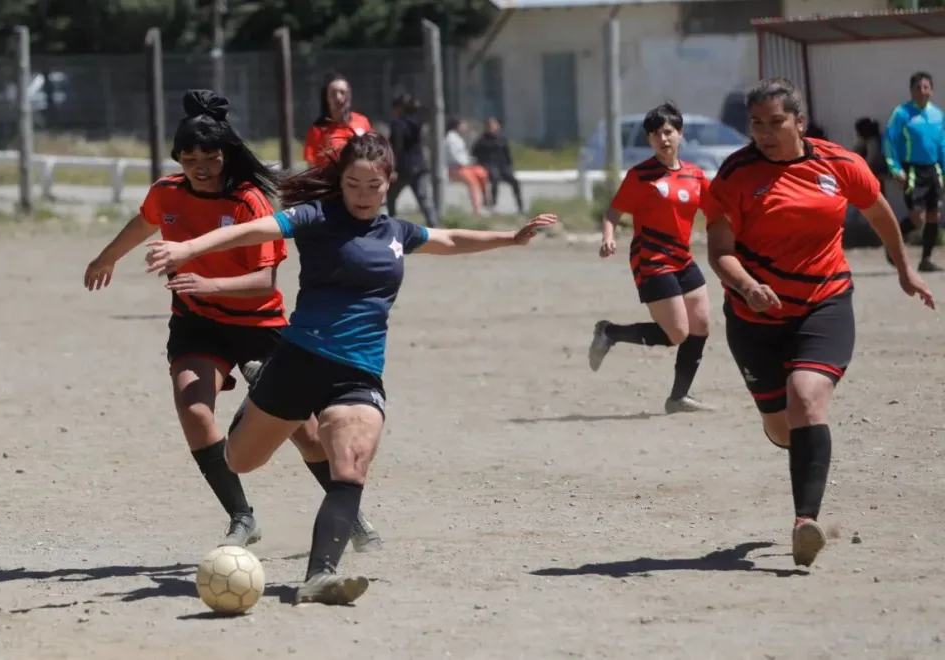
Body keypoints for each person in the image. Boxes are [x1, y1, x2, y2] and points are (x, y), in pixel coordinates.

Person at [143, 131, 557, 605]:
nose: (362, 196)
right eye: (353, 184)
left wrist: (511, 237)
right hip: (299, 360)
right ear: (340, 182)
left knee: (350, 468)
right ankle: (257, 395)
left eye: (372, 186)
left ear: (389, 183)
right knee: (241, 460)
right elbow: (252, 231)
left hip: (359, 371)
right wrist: (187, 248)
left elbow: (447, 238)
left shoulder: (397, 233)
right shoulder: (317, 217)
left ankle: (320, 575)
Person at [83, 90, 383, 552]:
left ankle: (351, 514)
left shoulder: (248, 201)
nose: (200, 165)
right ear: (177, 158)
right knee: (193, 408)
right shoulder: (167, 192)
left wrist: (208, 284)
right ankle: (242, 517)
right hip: (196, 323)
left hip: (259, 326)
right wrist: (107, 257)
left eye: (210, 155)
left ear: (227, 155)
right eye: (189, 157)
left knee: (303, 432)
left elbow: (264, 281)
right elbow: (145, 221)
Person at [703, 78, 934, 569]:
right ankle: (793, 441)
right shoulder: (735, 174)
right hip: (753, 315)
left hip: (823, 302)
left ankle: (803, 522)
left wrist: (904, 267)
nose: (765, 133)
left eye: (776, 122)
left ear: (800, 122)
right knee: (783, 426)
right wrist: (747, 286)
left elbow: (878, 212)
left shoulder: (839, 164)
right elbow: (720, 252)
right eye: (757, 124)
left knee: (806, 398)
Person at [588, 102, 714, 414]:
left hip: (683, 259)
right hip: (652, 259)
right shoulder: (640, 175)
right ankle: (610, 332)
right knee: (677, 334)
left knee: (700, 325)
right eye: (655, 134)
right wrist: (608, 235)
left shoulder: (695, 176)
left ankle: (678, 398)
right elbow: (613, 211)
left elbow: (719, 215)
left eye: (669, 132)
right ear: (649, 140)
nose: (663, 139)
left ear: (680, 134)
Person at [883, 71, 945, 272]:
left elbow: (942, 145)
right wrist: (895, 168)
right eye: (918, 87)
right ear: (911, 91)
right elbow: (889, 140)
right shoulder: (901, 113)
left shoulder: (938, 115)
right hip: (912, 171)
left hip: (933, 169)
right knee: (918, 218)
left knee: (934, 215)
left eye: (926, 87)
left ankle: (925, 260)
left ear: (932, 91)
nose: (922, 91)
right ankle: (891, 246)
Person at [387, 92, 439, 227]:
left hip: (402, 168)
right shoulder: (418, 122)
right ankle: (434, 226)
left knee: (391, 198)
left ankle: (389, 225)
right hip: (419, 166)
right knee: (424, 199)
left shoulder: (397, 124)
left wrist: (392, 167)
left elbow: (397, 147)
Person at [303, 71, 372, 169]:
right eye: (333, 93)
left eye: (342, 92)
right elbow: (311, 167)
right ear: (326, 98)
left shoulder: (362, 122)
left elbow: (372, 155)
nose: (338, 97)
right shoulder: (316, 131)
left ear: (349, 96)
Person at [472, 117, 524, 215]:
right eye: (490, 126)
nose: (492, 128)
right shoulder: (482, 140)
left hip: (502, 166)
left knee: (514, 181)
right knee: (495, 179)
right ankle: (493, 206)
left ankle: (520, 207)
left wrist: (510, 166)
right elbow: (474, 154)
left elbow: (507, 154)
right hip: (489, 165)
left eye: (494, 125)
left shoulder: (501, 139)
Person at [445, 117, 490, 215]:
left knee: (482, 173)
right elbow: (455, 156)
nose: (465, 125)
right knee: (473, 183)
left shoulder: (458, 137)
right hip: (456, 168)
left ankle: (485, 203)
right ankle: (477, 208)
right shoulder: (451, 138)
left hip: (465, 166)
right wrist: (467, 162)